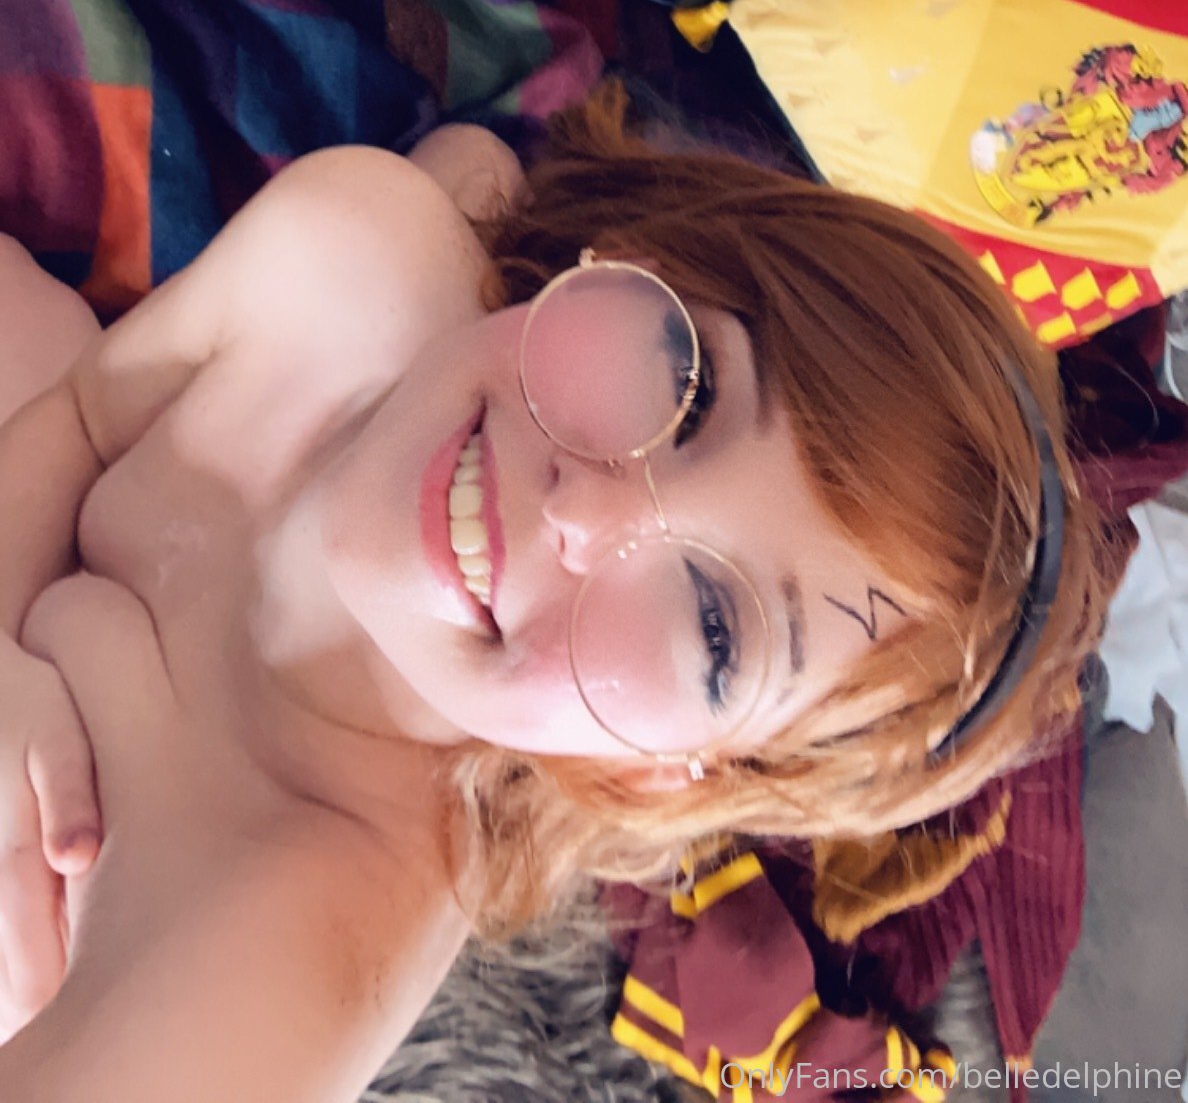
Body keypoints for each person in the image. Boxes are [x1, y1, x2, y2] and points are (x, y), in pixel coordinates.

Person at [0, 85, 1126, 1101]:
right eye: (690, 390)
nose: (587, 512)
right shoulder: (351, 248)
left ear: (654, 773)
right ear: (642, 259)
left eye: (713, 627)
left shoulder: (310, 926)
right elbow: (84, 416)